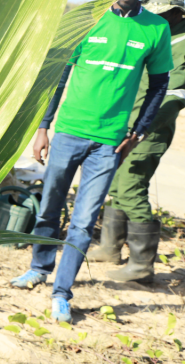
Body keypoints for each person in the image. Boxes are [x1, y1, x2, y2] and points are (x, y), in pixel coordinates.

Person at [10, 0, 174, 323]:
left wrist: (138, 133)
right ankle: (38, 268)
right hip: (69, 131)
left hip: (109, 143)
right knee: (49, 206)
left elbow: (159, 86)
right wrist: (43, 126)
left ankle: (61, 293)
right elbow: (60, 76)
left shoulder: (157, 29)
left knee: (84, 221)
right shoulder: (86, 17)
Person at [89, 0, 185, 283]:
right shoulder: (159, 34)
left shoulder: (181, 43)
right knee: (117, 183)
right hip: (126, 123)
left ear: (178, 13)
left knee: (131, 187)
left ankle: (142, 267)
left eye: (162, 14)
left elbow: (174, 94)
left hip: (150, 130)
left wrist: (140, 130)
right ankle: (109, 249)